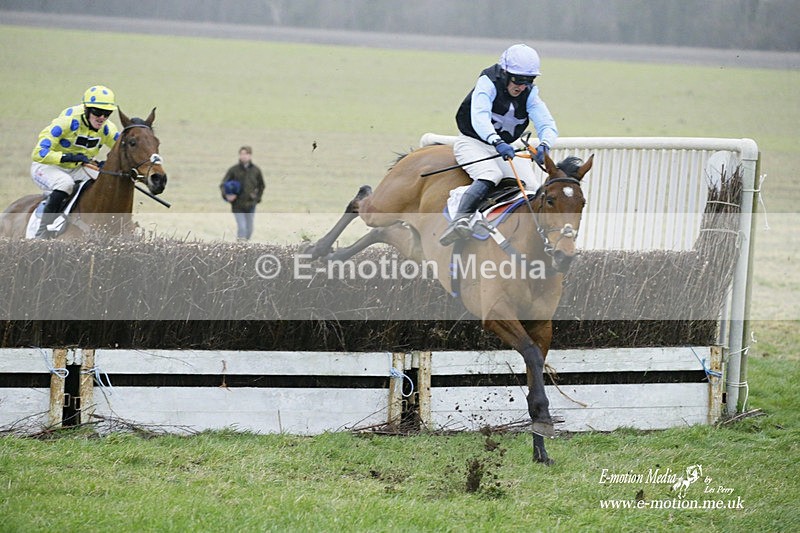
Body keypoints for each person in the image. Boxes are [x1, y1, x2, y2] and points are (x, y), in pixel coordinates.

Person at [439, 44, 558, 246]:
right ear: (504, 73)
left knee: (532, 188)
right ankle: (459, 220)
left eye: (529, 80)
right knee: (490, 175)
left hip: (506, 147)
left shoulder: (530, 93)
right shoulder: (487, 83)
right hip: (473, 142)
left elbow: (546, 123)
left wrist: (544, 146)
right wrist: (497, 141)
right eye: (518, 79)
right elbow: (480, 118)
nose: (522, 86)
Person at [30, 85, 120, 238]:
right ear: (86, 109)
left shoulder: (107, 129)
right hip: (48, 166)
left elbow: (122, 152)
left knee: (105, 181)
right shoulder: (66, 122)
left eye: (107, 113)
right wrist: (68, 158)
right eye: (98, 112)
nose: (102, 118)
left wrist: (109, 165)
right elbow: (39, 153)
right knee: (65, 184)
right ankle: (42, 232)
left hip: (77, 168)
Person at [219, 146, 265, 241]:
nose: (244, 156)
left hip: (250, 204)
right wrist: (227, 196)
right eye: (242, 154)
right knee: (242, 228)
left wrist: (257, 198)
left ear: (250, 155)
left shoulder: (256, 170)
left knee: (250, 229)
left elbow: (262, 185)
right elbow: (223, 185)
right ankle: (240, 249)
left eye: (246, 154)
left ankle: (244, 248)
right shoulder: (233, 170)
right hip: (237, 205)